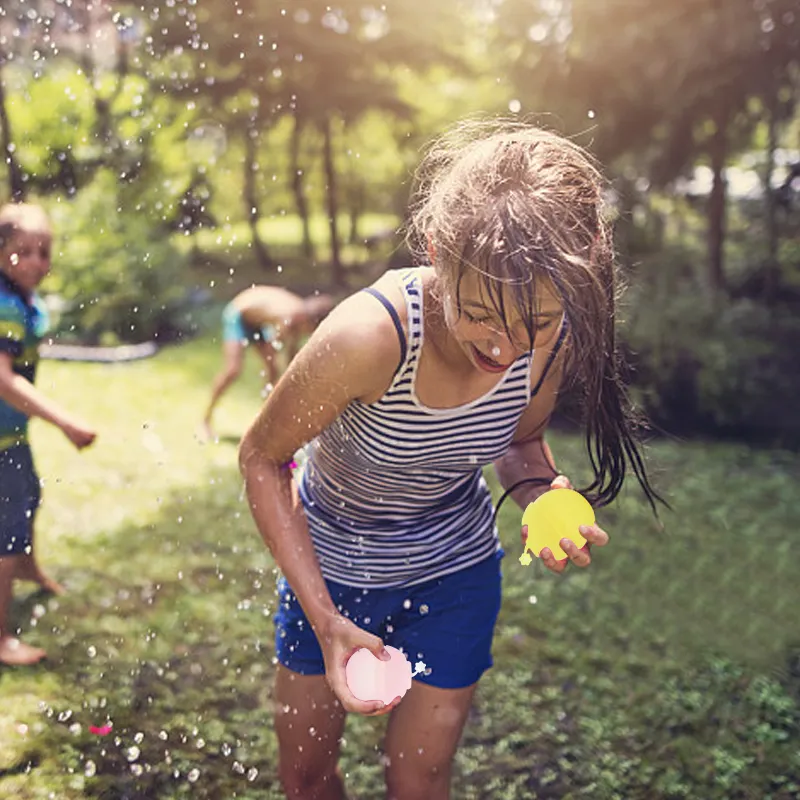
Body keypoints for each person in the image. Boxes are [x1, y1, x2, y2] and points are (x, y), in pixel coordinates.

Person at [238, 119, 662, 799]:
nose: (507, 346)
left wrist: (544, 493)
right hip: (331, 574)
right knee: (307, 776)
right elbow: (262, 457)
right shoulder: (367, 338)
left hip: (452, 576)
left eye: (537, 322)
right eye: (481, 315)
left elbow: (520, 443)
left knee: (422, 775)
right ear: (438, 254)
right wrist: (323, 618)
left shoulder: (552, 341)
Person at [0, 203, 96, 666]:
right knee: (4, 532)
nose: (37, 261)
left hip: (9, 435)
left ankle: (26, 567)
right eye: (23, 252)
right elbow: (3, 379)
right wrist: (66, 422)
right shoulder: (5, 306)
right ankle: (0, 638)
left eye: (44, 251)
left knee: (29, 496)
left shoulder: (19, 298)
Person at [202, 286, 335, 441]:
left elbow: (292, 357)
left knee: (273, 371)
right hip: (238, 315)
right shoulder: (291, 316)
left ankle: (264, 424)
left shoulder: (301, 316)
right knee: (233, 370)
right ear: (311, 322)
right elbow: (279, 348)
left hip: (258, 322)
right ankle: (205, 420)